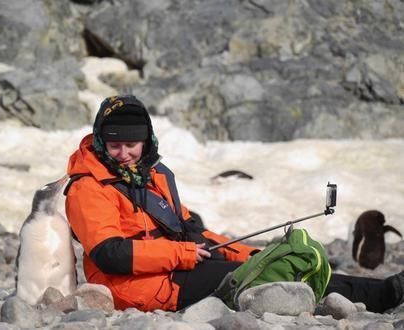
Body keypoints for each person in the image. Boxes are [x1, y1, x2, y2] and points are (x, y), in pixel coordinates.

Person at [65, 94, 404, 313]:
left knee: (267, 262)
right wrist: (180, 255)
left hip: (173, 268)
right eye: (114, 145)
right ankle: (385, 295)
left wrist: (238, 251)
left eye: (131, 144)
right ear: (99, 140)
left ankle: (377, 291)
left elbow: (187, 229)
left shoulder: (152, 175)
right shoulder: (88, 188)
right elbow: (110, 254)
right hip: (138, 286)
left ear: (146, 140)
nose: (124, 153)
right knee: (267, 277)